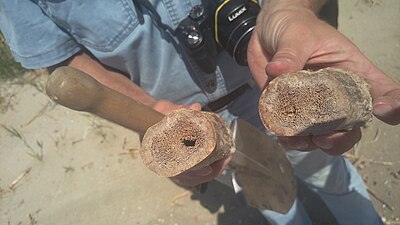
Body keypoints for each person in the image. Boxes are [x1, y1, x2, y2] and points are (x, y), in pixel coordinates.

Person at [0, 0, 399, 224]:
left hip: (271, 80)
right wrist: (150, 110)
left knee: (331, 177)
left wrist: (291, 10)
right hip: (191, 124)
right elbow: (65, 62)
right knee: (273, 196)